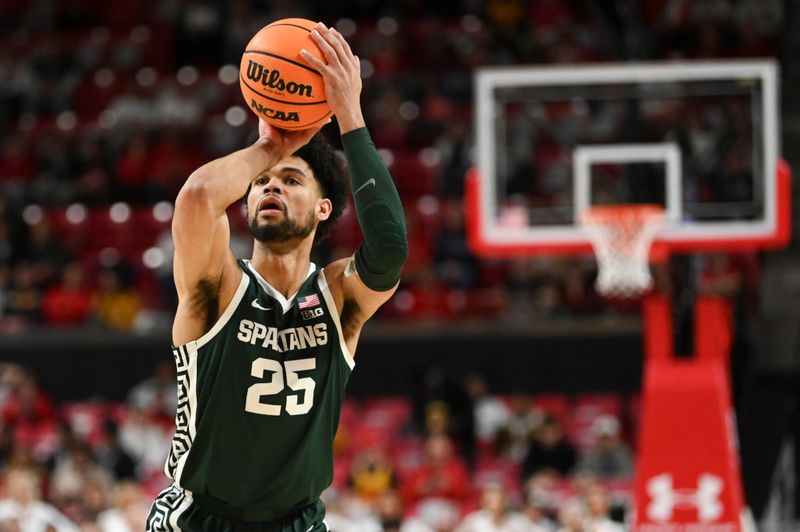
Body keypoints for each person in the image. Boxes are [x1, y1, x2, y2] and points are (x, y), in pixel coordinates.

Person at [146, 21, 407, 532]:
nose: (271, 187)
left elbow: (390, 248)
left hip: (297, 522)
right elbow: (198, 199)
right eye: (262, 184)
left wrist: (349, 114)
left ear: (324, 208)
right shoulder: (217, 285)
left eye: (291, 180)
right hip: (201, 517)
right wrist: (271, 148)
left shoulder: (338, 296)